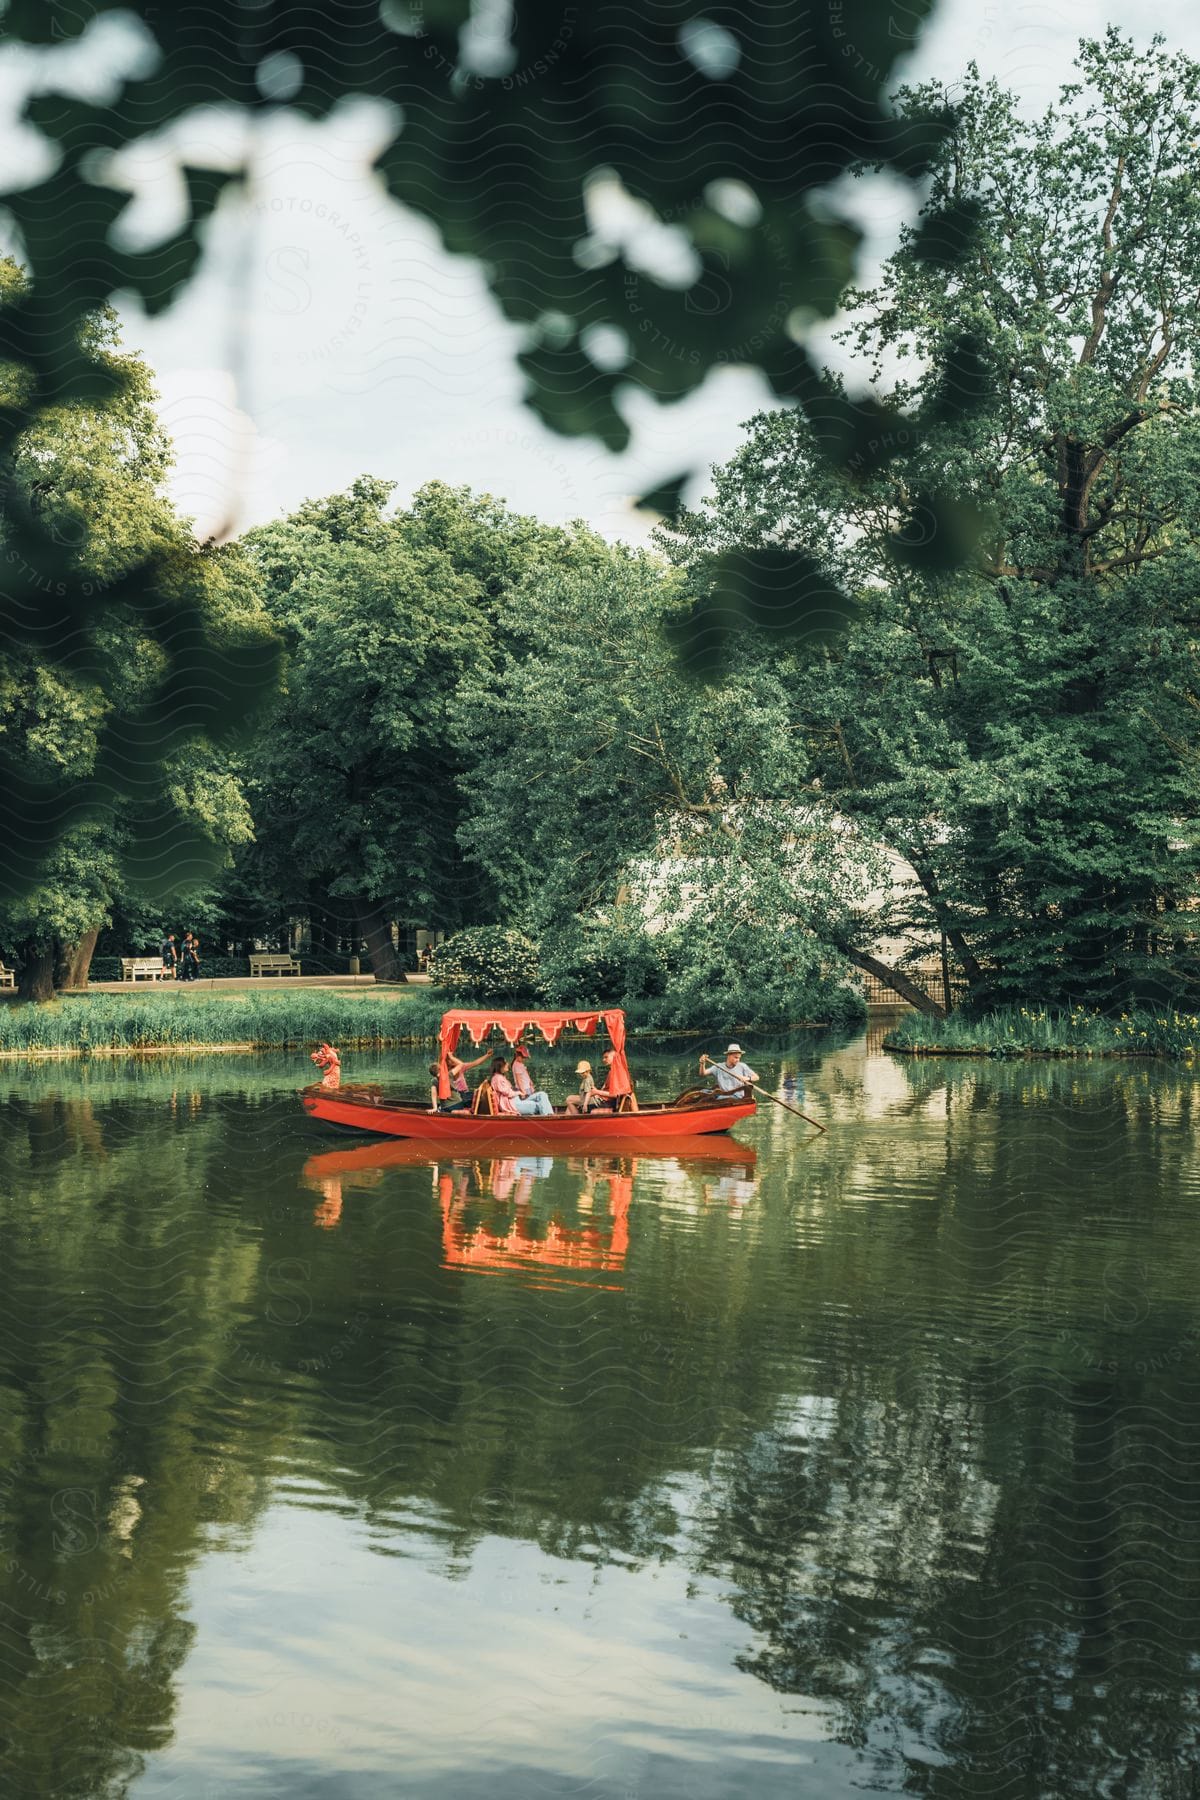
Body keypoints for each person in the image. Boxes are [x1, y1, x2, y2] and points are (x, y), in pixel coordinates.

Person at [511, 1043, 555, 1116]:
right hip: (524, 1090)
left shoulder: (520, 1064)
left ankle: (548, 1114)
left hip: (527, 1088)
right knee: (542, 1096)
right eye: (523, 1057)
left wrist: (530, 1082)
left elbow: (525, 1073)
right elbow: (519, 1081)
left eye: (525, 1058)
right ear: (517, 1056)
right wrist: (523, 1092)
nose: (524, 1059)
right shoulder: (516, 1065)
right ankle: (547, 1115)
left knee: (542, 1096)